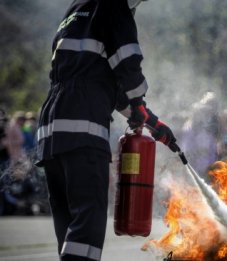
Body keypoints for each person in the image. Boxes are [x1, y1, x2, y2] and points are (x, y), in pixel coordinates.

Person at [35, 1, 178, 260]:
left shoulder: (75, 10)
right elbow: (127, 62)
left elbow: (100, 82)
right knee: (88, 221)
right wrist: (138, 101)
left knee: (69, 224)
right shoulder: (114, 6)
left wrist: (150, 121)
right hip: (83, 127)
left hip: (51, 130)